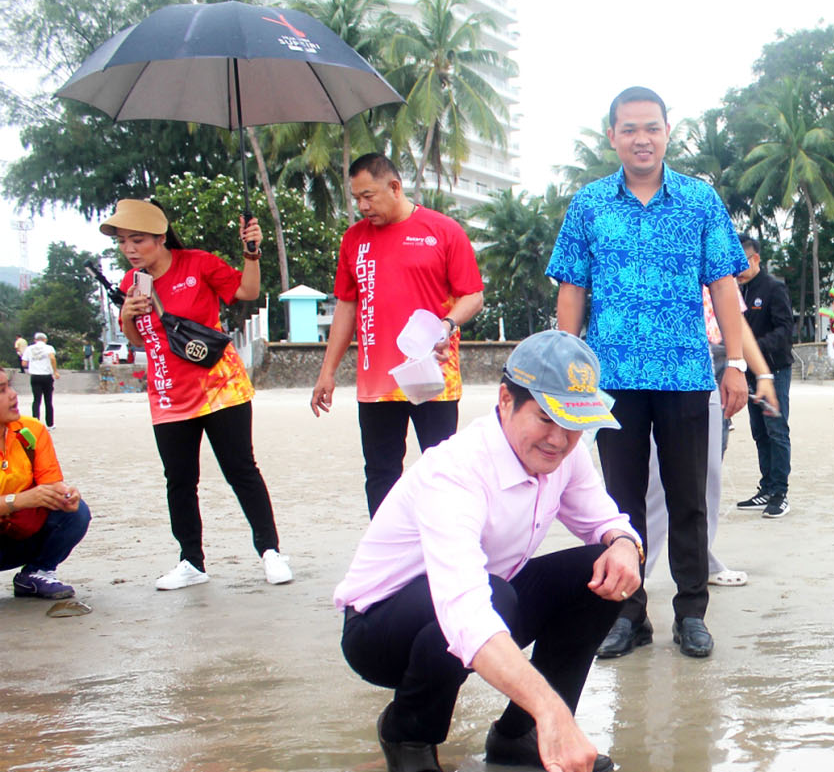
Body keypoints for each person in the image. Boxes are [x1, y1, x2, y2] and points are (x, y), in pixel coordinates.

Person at [334, 331, 643, 772]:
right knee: (495, 596)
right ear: (505, 400)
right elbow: (465, 609)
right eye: (546, 417)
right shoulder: (455, 472)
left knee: (599, 573)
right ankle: (408, 736)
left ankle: (517, 736)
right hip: (381, 629)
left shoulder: (566, 453)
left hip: (489, 596)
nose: (559, 440)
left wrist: (623, 544)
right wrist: (554, 714)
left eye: (575, 422)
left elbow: (604, 519)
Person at [549, 85, 750, 661]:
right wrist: (567, 364)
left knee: (689, 499)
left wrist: (734, 364)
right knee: (621, 500)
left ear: (667, 132)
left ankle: (691, 613)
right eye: (629, 128)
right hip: (610, 381)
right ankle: (627, 615)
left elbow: (724, 285)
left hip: (686, 373)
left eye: (652, 128)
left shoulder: (698, 201)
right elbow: (572, 288)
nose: (642, 138)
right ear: (612, 135)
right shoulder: (588, 205)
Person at [105, 198, 293, 590]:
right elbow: (143, 340)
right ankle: (191, 561)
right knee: (179, 479)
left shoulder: (197, 263)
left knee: (240, 469)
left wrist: (252, 251)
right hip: (167, 393)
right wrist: (126, 316)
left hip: (219, 386)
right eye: (123, 242)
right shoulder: (131, 282)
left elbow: (247, 290)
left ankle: (270, 551)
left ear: (160, 237)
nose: (129, 249)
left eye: (137, 240)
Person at [310, 153, 485, 516]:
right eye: (356, 197)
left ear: (395, 186)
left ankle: (445, 552)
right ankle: (388, 559)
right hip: (376, 381)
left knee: (443, 470)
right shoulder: (353, 239)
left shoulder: (442, 230)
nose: (362, 206)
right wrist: (327, 372)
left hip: (434, 376)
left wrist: (447, 324)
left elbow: (473, 295)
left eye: (368, 196)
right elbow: (346, 306)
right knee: (380, 473)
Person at [645, 286, 778, 590]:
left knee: (706, 473)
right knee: (652, 476)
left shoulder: (714, 253)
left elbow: (734, 317)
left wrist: (762, 373)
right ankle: (634, 564)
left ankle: (700, 559)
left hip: (707, 363)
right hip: (654, 362)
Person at [1, 367, 89, 599]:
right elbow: (23, 499)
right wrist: (18, 501)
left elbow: (52, 484)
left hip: (17, 535)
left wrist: (65, 494)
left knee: (75, 512)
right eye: (2, 390)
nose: (12, 394)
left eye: (9, 386)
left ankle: (37, 572)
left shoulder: (30, 431)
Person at [735, 236, 795, 519]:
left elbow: (785, 329)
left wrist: (755, 350)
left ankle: (780, 493)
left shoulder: (774, 288)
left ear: (756, 258)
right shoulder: (736, 291)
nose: (739, 269)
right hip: (748, 373)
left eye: (743, 262)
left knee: (776, 429)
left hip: (774, 371)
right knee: (759, 431)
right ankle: (767, 487)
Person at [22, 332, 58, 428]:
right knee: (48, 400)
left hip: (35, 376)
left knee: (36, 400)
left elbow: (24, 363)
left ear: (35, 340)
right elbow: (52, 358)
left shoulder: (29, 349)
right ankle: (50, 424)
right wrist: (55, 371)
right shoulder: (49, 348)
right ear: (45, 340)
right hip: (46, 376)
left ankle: (35, 422)